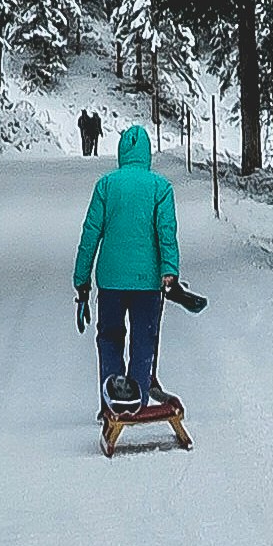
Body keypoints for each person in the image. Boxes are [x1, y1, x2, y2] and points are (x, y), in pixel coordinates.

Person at [72, 116, 181, 403]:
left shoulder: (106, 186)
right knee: (144, 340)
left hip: (110, 281)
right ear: (146, 154)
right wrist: (169, 269)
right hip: (148, 282)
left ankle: (112, 399)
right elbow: (166, 233)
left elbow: (90, 235)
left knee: (109, 337)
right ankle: (139, 397)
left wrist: (81, 281)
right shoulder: (161, 188)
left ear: (122, 153)